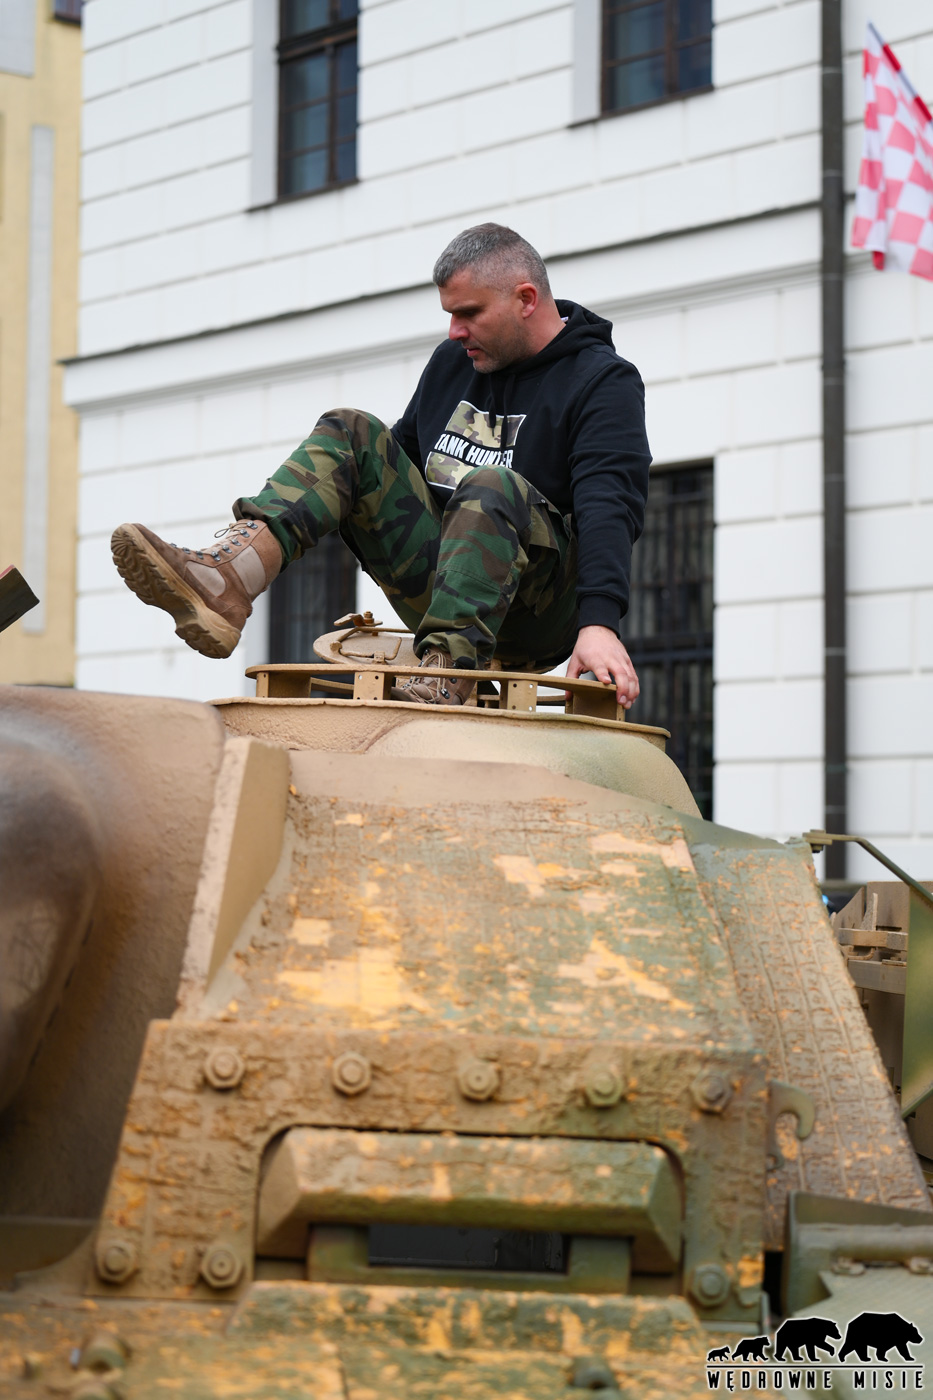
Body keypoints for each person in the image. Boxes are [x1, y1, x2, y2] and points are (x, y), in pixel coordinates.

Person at [111, 223, 651, 707]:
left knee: (491, 485)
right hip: (448, 587)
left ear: (526, 299)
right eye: (449, 315)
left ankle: (445, 678)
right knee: (352, 432)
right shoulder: (452, 365)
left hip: (540, 610)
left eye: (469, 313)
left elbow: (610, 507)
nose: (454, 331)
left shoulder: (602, 380)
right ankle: (227, 581)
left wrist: (599, 624)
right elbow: (394, 471)